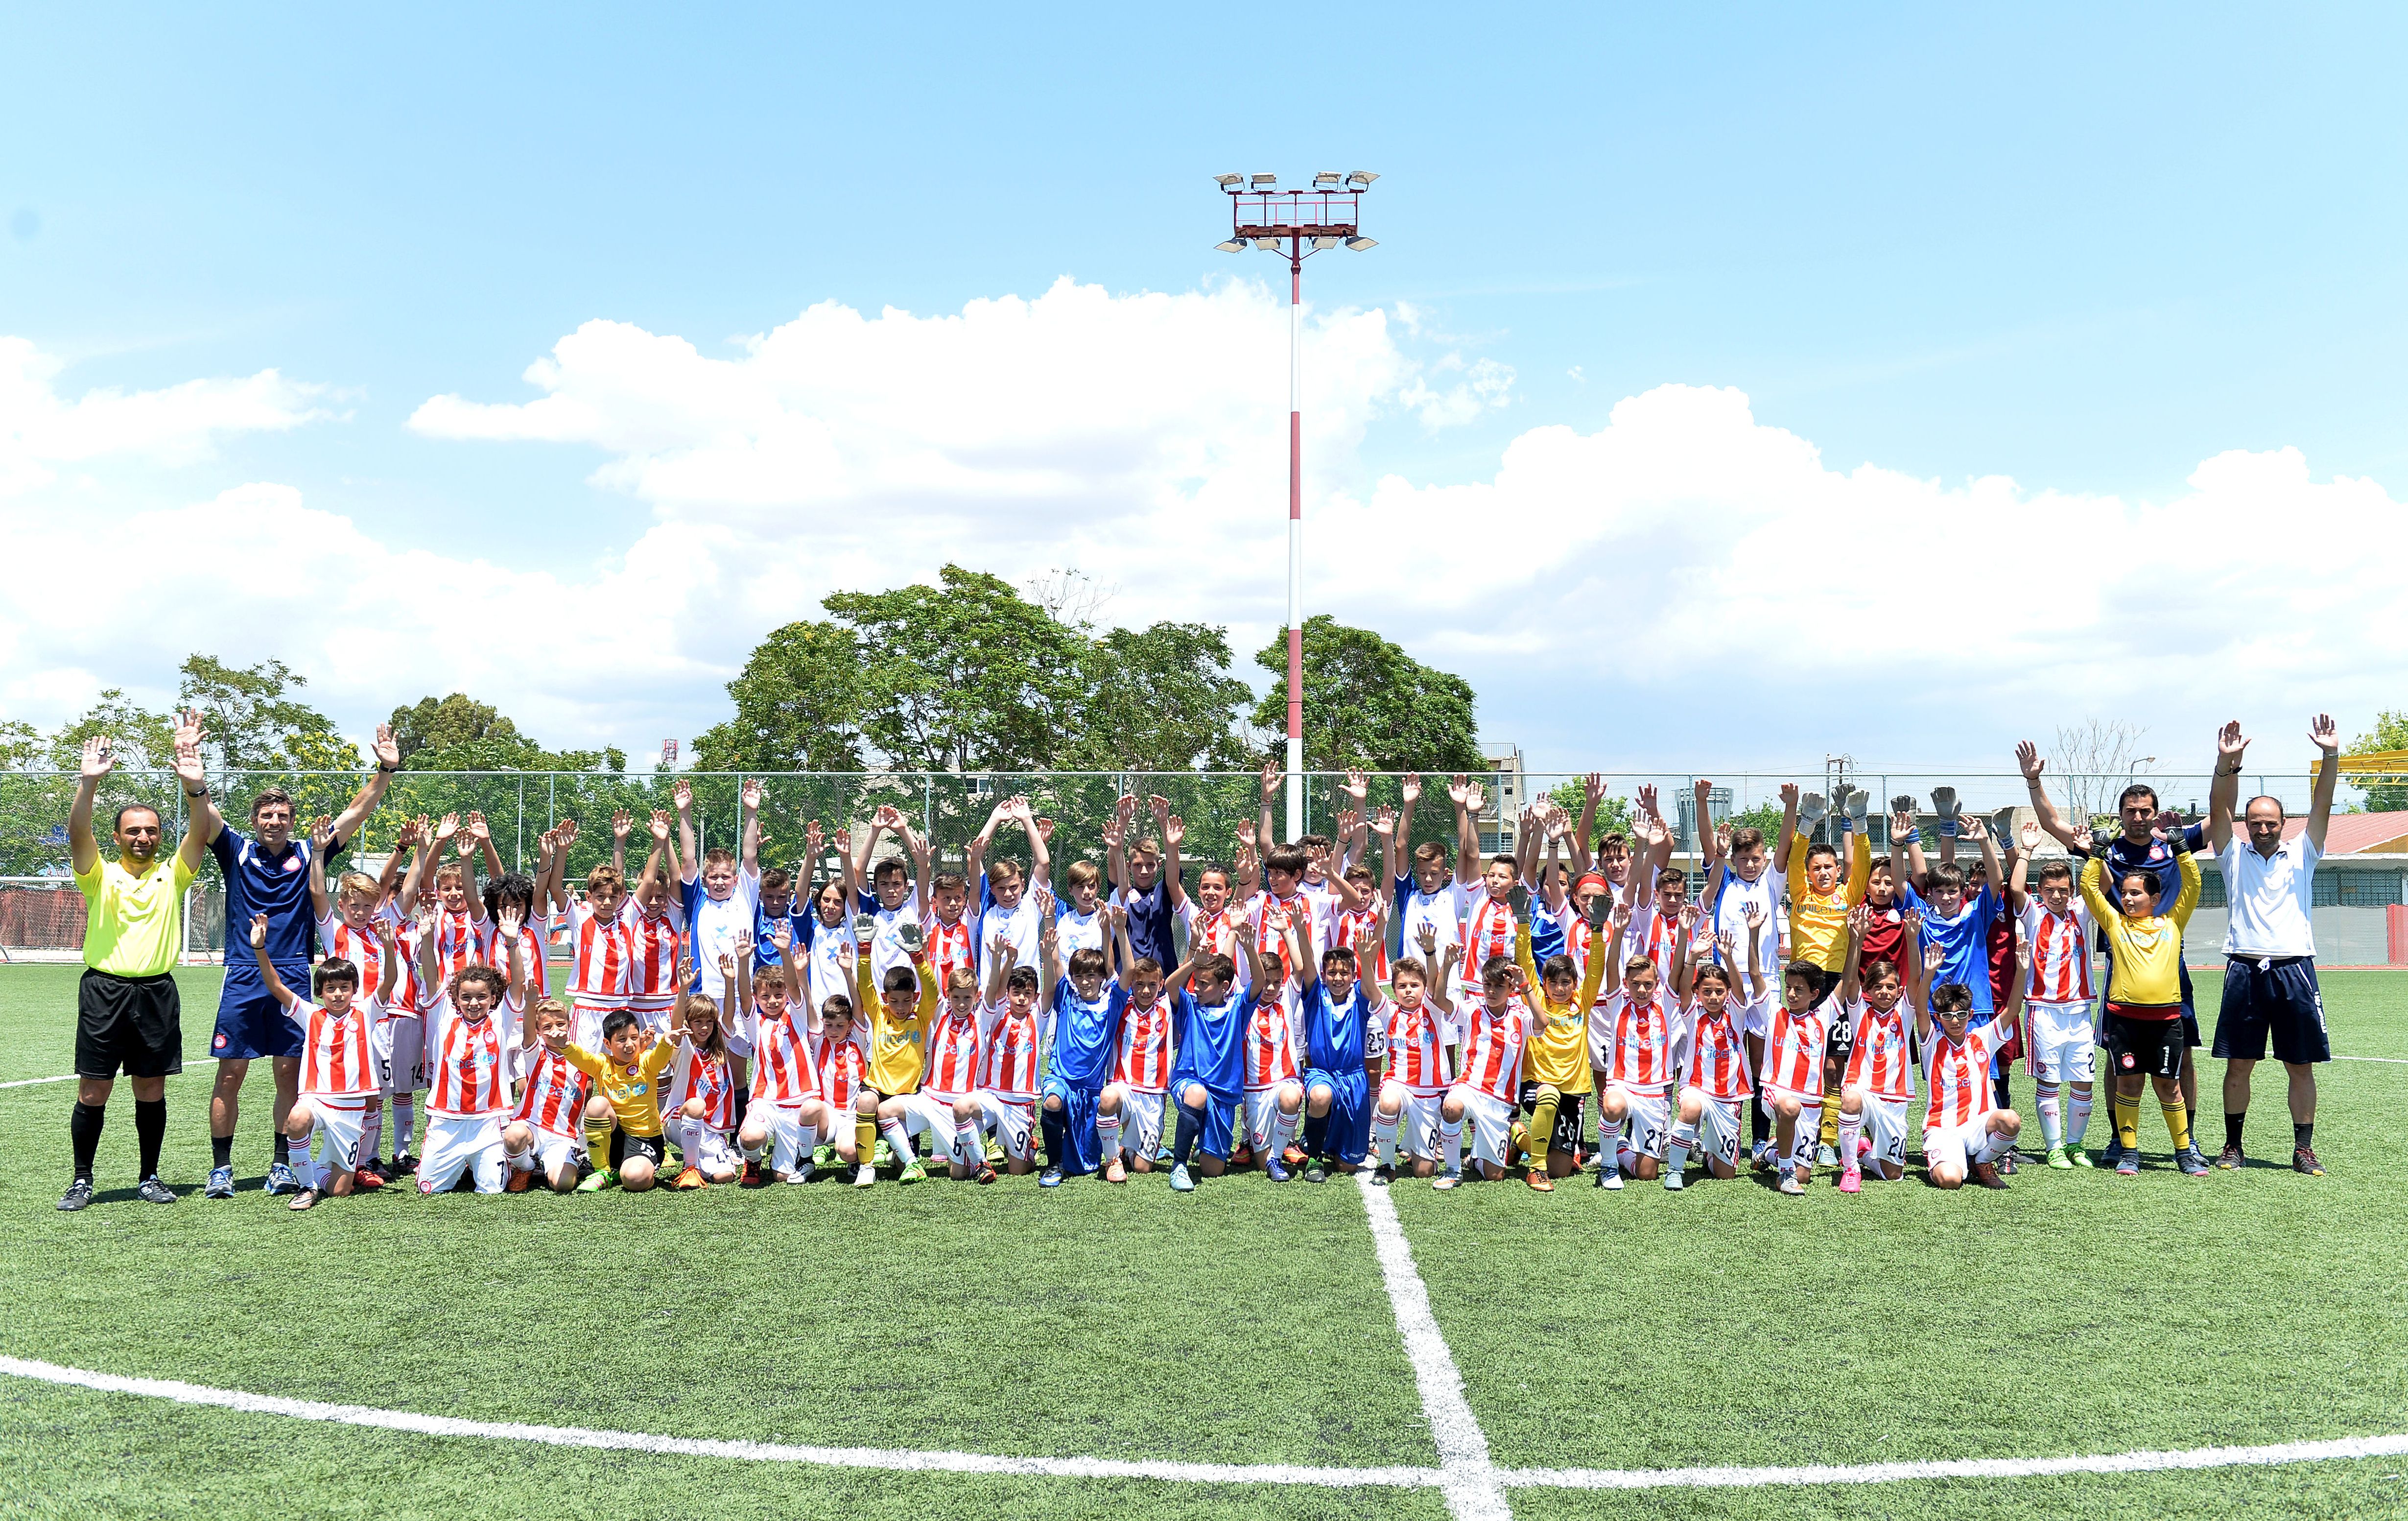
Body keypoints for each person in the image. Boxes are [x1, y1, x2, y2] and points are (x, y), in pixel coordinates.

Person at [195, 716, 402, 1199]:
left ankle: (281, 1165)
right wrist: (196, 777)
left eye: (282, 816)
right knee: (231, 1072)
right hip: (244, 973)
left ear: (292, 820)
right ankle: (221, 1168)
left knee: (289, 1073)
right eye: (267, 815)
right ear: (255, 821)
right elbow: (205, 814)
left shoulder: (312, 852)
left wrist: (385, 771)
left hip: (292, 971)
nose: (275, 822)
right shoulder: (235, 851)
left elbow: (356, 811)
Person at [2018, 740, 2209, 1171]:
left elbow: (2220, 818)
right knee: (2116, 1057)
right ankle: (2119, 1140)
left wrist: (2227, 766)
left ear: (2155, 813)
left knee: (2182, 1057)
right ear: (2121, 814)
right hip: (2121, 963)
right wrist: (2034, 781)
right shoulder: (2106, 849)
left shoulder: (2171, 843)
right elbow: (2052, 823)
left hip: (2169, 961)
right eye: (2131, 811)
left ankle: (2188, 1142)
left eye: (2145, 811)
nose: (2138, 817)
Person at [60, 727, 213, 1211]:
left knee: (151, 1087)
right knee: (94, 1089)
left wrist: (194, 786)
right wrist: (89, 783)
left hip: (157, 993)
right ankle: (82, 1180)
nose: (143, 837)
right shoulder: (99, 874)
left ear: (160, 836)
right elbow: (77, 834)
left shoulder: (174, 873)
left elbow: (201, 833)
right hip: (103, 991)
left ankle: (149, 1176)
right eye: (133, 831)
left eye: (150, 831)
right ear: (117, 837)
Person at [2207, 716, 2339, 1176]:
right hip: (2244, 970)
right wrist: (2225, 763)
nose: (2263, 829)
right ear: (2245, 824)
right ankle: (2233, 1146)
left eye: (2270, 822)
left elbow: (2323, 801)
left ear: (2284, 824)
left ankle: (2304, 1149)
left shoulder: (2304, 851)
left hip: (2294, 970)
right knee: (2238, 1065)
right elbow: (2218, 805)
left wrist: (2330, 755)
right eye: (2255, 822)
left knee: (2300, 1066)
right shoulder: (2232, 855)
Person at [248, 910, 398, 1210]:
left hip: (351, 1108)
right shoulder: (310, 1014)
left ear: (354, 990)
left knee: (341, 1191)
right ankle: (306, 1186)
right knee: (297, 1119)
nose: (338, 994)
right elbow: (276, 987)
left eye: (344, 988)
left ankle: (319, 1170)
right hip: (317, 1099)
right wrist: (260, 948)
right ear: (321, 993)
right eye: (331, 989)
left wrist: (389, 946)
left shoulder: (366, 1012)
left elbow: (389, 981)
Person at [2078, 822, 2204, 1177]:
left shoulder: (2172, 923)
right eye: (2125, 893)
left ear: (2155, 898)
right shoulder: (2115, 924)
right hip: (2126, 1023)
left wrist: (2182, 851)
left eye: (2136, 893)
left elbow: (2193, 885)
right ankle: (2129, 1152)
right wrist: (2096, 854)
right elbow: (2089, 888)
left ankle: (2184, 1152)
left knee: (2169, 1086)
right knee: (2129, 1085)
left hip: (2166, 1023)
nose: (2128, 898)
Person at [2006, 823, 2099, 1168]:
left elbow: (2100, 884)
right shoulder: (2034, 914)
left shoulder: (2081, 911)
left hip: (2080, 1012)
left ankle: (2076, 1146)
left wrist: (2088, 852)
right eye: (2049, 891)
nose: (2056, 896)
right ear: (2041, 892)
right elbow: (2015, 888)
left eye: (2062, 890)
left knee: (2084, 1082)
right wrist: (2027, 850)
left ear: (2071, 891)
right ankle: (2055, 1147)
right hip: (2043, 1011)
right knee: (2050, 1081)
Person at [1511, 902, 1611, 1190]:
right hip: (1537, 1084)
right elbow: (1525, 963)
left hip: (1572, 1091)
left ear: (1575, 984)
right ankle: (1536, 1169)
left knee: (1562, 1169)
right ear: (1544, 983)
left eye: (1565, 982)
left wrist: (1597, 931)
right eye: (1553, 983)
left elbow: (1596, 969)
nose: (1559, 988)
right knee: (1548, 1095)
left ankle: (1519, 1138)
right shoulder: (1537, 999)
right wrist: (1523, 924)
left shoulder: (1583, 1002)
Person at [1037, 887, 1130, 1187]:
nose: (1085, 981)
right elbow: (1056, 965)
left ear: (1102, 977)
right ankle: (1053, 1165)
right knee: (1052, 1102)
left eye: (1091, 976)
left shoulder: (1111, 1003)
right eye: (1080, 976)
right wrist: (1049, 920)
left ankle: (1089, 1148)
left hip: (1091, 1091)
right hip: (1061, 1079)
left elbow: (1128, 970)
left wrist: (1116, 931)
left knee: (1085, 1166)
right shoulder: (1067, 995)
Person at [732, 920, 836, 1187]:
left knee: (782, 1177)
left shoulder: (796, 1016)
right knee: (750, 1138)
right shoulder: (756, 1024)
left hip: (799, 1103)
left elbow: (793, 986)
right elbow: (744, 997)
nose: (773, 1001)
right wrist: (743, 962)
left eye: (778, 995)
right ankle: (753, 1160)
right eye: (766, 996)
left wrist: (785, 953)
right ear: (758, 998)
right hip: (766, 1101)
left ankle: (794, 1156)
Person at [1661, 921, 1764, 1189]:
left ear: (1727, 993)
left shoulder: (1736, 1014)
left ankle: (1710, 1153)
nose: (1714, 997)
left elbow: (1740, 989)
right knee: (1691, 1108)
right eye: (1707, 992)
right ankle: (1675, 1170)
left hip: (1730, 1095)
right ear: (1698, 994)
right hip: (1697, 1088)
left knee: (1725, 1173)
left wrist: (1728, 957)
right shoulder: (1693, 1015)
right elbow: (1684, 989)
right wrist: (1693, 957)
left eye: (1719, 991)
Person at [1914, 961, 2026, 1190]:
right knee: (1950, 1181)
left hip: (1978, 1124)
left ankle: (1982, 1162)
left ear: (1971, 1014)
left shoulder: (1982, 1038)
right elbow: (1920, 1010)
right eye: (1948, 1015)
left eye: (1961, 1014)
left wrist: (2022, 970)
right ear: (1938, 1017)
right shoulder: (1932, 1043)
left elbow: (2012, 1010)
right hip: (1943, 1130)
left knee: (2011, 1120)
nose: (1955, 1021)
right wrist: (1929, 974)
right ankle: (1947, 1159)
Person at [1590, 901, 1677, 1189]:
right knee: (1612, 1106)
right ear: (1626, 982)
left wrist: (1685, 940)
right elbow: (1611, 967)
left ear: (1656, 984)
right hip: (1623, 1085)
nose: (1642, 990)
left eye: (1648, 984)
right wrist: (1618, 933)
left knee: (1647, 1173)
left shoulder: (1665, 1005)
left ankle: (1619, 1149)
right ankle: (1608, 1165)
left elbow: (1677, 971)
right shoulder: (1618, 1003)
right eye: (1636, 983)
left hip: (1654, 1092)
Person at [1832, 905, 1920, 1191]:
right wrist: (1856, 939)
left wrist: (1912, 939)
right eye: (1878, 987)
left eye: (1891, 987)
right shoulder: (1860, 1013)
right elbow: (1849, 981)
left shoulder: (1905, 1014)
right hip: (1863, 1089)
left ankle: (1863, 1154)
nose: (1884, 992)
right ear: (1869, 991)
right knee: (1850, 1100)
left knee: (1893, 1174)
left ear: (1899, 991)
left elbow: (1916, 979)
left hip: (1894, 1097)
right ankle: (1851, 1169)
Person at [1370, 930, 1459, 1183]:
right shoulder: (1389, 1011)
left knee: (1424, 1172)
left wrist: (1430, 952)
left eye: (1414, 985)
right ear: (1394, 990)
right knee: (1387, 1102)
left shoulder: (1432, 1008)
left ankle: (1415, 1145)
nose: (1408, 991)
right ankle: (1387, 1165)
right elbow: (1370, 987)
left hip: (1429, 1094)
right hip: (1400, 1085)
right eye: (1402, 986)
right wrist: (1367, 960)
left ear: (1423, 988)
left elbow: (1435, 984)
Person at [1435, 954, 1529, 1188]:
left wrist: (1526, 987)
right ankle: (1453, 1170)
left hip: (1499, 1101)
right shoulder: (1472, 1009)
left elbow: (1543, 1023)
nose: (1492, 991)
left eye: (1499, 986)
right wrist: (1447, 965)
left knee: (1495, 1176)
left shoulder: (1520, 1015)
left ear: (1511, 989)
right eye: (1488, 984)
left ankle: (1476, 1159)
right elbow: (1439, 999)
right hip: (1469, 1088)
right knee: (1451, 1107)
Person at [568, 1006, 679, 1194]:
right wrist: (565, 1045)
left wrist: (665, 1043)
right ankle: (602, 1172)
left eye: (634, 1038)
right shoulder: (603, 1064)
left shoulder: (646, 1062)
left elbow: (659, 1058)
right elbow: (582, 1058)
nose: (629, 1045)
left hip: (645, 1139)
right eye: (622, 1040)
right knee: (596, 1105)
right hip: (614, 1139)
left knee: (635, 1180)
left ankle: (637, 1170)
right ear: (607, 1043)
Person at [502, 996, 591, 1194]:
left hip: (562, 1137)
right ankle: (526, 1167)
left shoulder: (582, 1058)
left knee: (564, 1184)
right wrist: (530, 1004)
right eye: (547, 1027)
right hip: (532, 1127)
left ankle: (547, 1163)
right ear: (539, 1031)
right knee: (514, 1136)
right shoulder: (536, 1054)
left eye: (560, 1024)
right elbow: (527, 1032)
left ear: (569, 1024)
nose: (555, 1031)